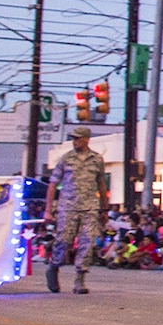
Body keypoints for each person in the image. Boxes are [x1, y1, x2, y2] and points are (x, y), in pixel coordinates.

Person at [43, 124, 107, 294]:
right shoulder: (66, 159)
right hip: (68, 207)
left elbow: (101, 183)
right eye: (73, 138)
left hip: (90, 207)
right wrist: (48, 210)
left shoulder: (97, 159)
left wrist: (104, 210)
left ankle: (80, 280)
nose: (75, 141)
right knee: (63, 241)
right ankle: (54, 266)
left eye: (78, 138)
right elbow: (52, 185)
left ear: (86, 139)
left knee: (87, 242)